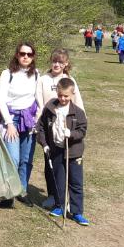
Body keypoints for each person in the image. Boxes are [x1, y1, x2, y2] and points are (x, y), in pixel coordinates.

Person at [36, 48, 85, 209]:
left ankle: (70, 202)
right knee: (51, 165)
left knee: (69, 168)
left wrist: (75, 127)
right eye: (54, 61)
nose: (56, 64)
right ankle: (53, 195)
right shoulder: (43, 79)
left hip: (66, 128)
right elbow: (39, 102)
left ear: (66, 64)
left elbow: (77, 103)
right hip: (49, 126)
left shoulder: (69, 80)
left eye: (60, 62)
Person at [36, 78, 89, 226]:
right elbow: (41, 127)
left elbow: (82, 131)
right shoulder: (50, 108)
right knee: (59, 180)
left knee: (75, 182)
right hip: (56, 150)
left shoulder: (78, 113)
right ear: (57, 93)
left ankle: (77, 211)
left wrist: (71, 134)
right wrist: (44, 143)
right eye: (60, 95)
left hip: (73, 153)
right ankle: (60, 205)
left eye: (66, 96)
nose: (63, 99)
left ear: (72, 94)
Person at [0, 42, 39, 200]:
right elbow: (0, 100)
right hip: (11, 119)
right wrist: (8, 123)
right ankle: (8, 191)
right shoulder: (7, 74)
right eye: (22, 54)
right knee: (13, 158)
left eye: (29, 54)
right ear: (17, 55)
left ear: (33, 56)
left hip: (29, 120)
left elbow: (39, 98)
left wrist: (36, 119)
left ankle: (22, 190)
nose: (25, 57)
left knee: (26, 159)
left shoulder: (36, 74)